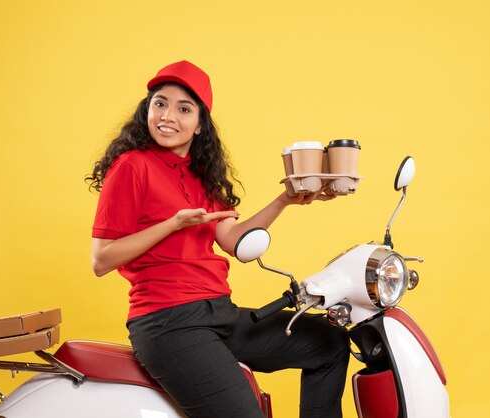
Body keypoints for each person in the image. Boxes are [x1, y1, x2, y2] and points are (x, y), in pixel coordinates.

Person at [87, 60, 350, 418]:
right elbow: (101, 260)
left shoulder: (201, 175)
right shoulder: (132, 166)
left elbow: (234, 241)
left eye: (184, 109)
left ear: (199, 125)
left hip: (218, 313)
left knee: (328, 341)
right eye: (160, 103)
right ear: (146, 110)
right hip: (169, 324)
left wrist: (285, 199)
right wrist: (173, 224)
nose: (168, 116)